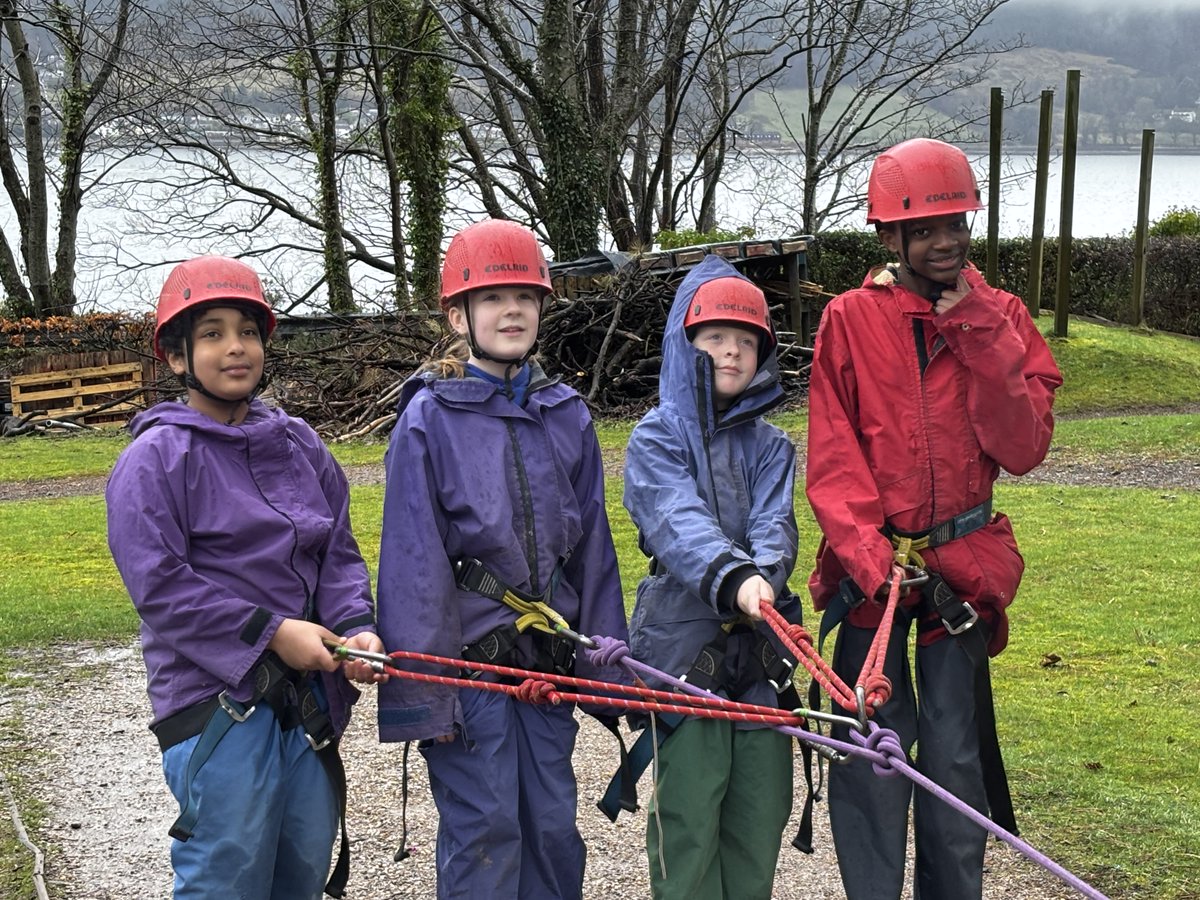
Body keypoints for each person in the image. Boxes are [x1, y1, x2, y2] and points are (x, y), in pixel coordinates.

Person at [805, 137, 1063, 899]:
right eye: (925, 229)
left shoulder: (1004, 318)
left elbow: (1023, 447)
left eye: (955, 223)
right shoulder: (851, 320)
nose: (944, 241)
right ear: (891, 236)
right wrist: (867, 557)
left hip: (961, 570)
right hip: (872, 575)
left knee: (954, 763)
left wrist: (981, 334)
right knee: (875, 756)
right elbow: (834, 454)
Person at [106, 255, 386, 900]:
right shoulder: (154, 459)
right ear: (177, 357)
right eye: (212, 333)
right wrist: (272, 633)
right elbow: (161, 587)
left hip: (308, 703)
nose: (236, 347)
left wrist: (355, 628)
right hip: (215, 706)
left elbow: (336, 553)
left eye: (248, 331)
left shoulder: (301, 445)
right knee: (226, 876)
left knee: (301, 869)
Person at [374, 218, 630, 900]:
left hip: (544, 669)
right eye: (492, 297)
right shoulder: (429, 421)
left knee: (550, 828)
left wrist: (606, 670)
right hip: (470, 678)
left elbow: (593, 554)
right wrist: (425, 695)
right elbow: (411, 561)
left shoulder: (567, 414)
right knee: (486, 832)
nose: (511, 309)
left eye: (525, 295)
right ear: (459, 315)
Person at [622, 253, 802, 900]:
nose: (732, 352)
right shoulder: (654, 439)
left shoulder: (775, 448)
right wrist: (735, 578)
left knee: (760, 815)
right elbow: (676, 520)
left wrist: (763, 577)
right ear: (686, 344)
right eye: (716, 338)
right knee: (689, 824)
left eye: (746, 341)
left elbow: (776, 527)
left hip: (760, 661)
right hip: (683, 655)